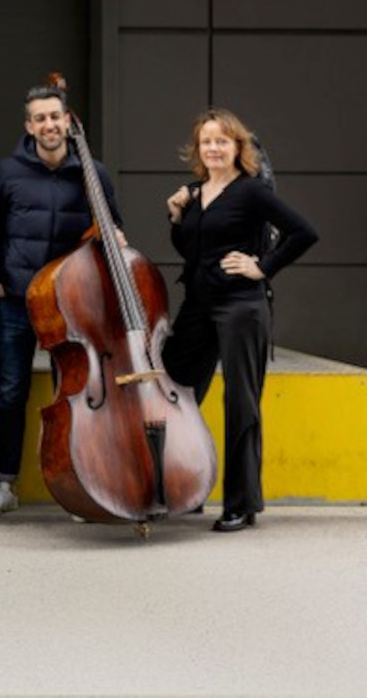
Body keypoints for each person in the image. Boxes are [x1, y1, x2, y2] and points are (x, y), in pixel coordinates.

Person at [162, 109, 317, 533]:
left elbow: (303, 232)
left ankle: (240, 503)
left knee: (240, 403)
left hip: (241, 306)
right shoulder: (194, 193)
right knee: (176, 390)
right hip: (197, 304)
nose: (213, 148)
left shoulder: (251, 192)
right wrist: (177, 216)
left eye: (222, 141)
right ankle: (184, 488)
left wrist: (263, 266)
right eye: (206, 141)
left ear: (237, 148)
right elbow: (191, 250)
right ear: (197, 148)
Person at [0, 78, 123, 518]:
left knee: (75, 394)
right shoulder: (5, 173)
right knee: (10, 390)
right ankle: (6, 485)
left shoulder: (93, 173)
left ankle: (78, 486)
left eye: (55, 116)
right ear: (29, 125)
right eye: (40, 118)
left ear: (66, 119)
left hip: (74, 304)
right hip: (18, 299)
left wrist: (114, 236)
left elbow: (112, 230)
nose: (49, 124)